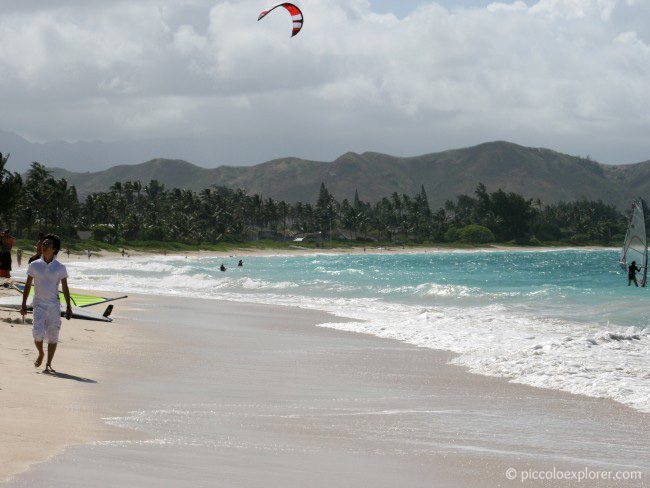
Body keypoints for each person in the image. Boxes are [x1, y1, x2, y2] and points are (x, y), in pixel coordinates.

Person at [20, 236, 72, 373]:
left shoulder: (60, 267)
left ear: (54, 249)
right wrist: (24, 304)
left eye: (48, 244)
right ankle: (41, 353)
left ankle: (48, 363)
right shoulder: (34, 264)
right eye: (43, 243)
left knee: (53, 335)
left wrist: (68, 306)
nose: (44, 245)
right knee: (37, 333)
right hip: (38, 305)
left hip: (54, 306)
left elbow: (65, 288)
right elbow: (27, 285)